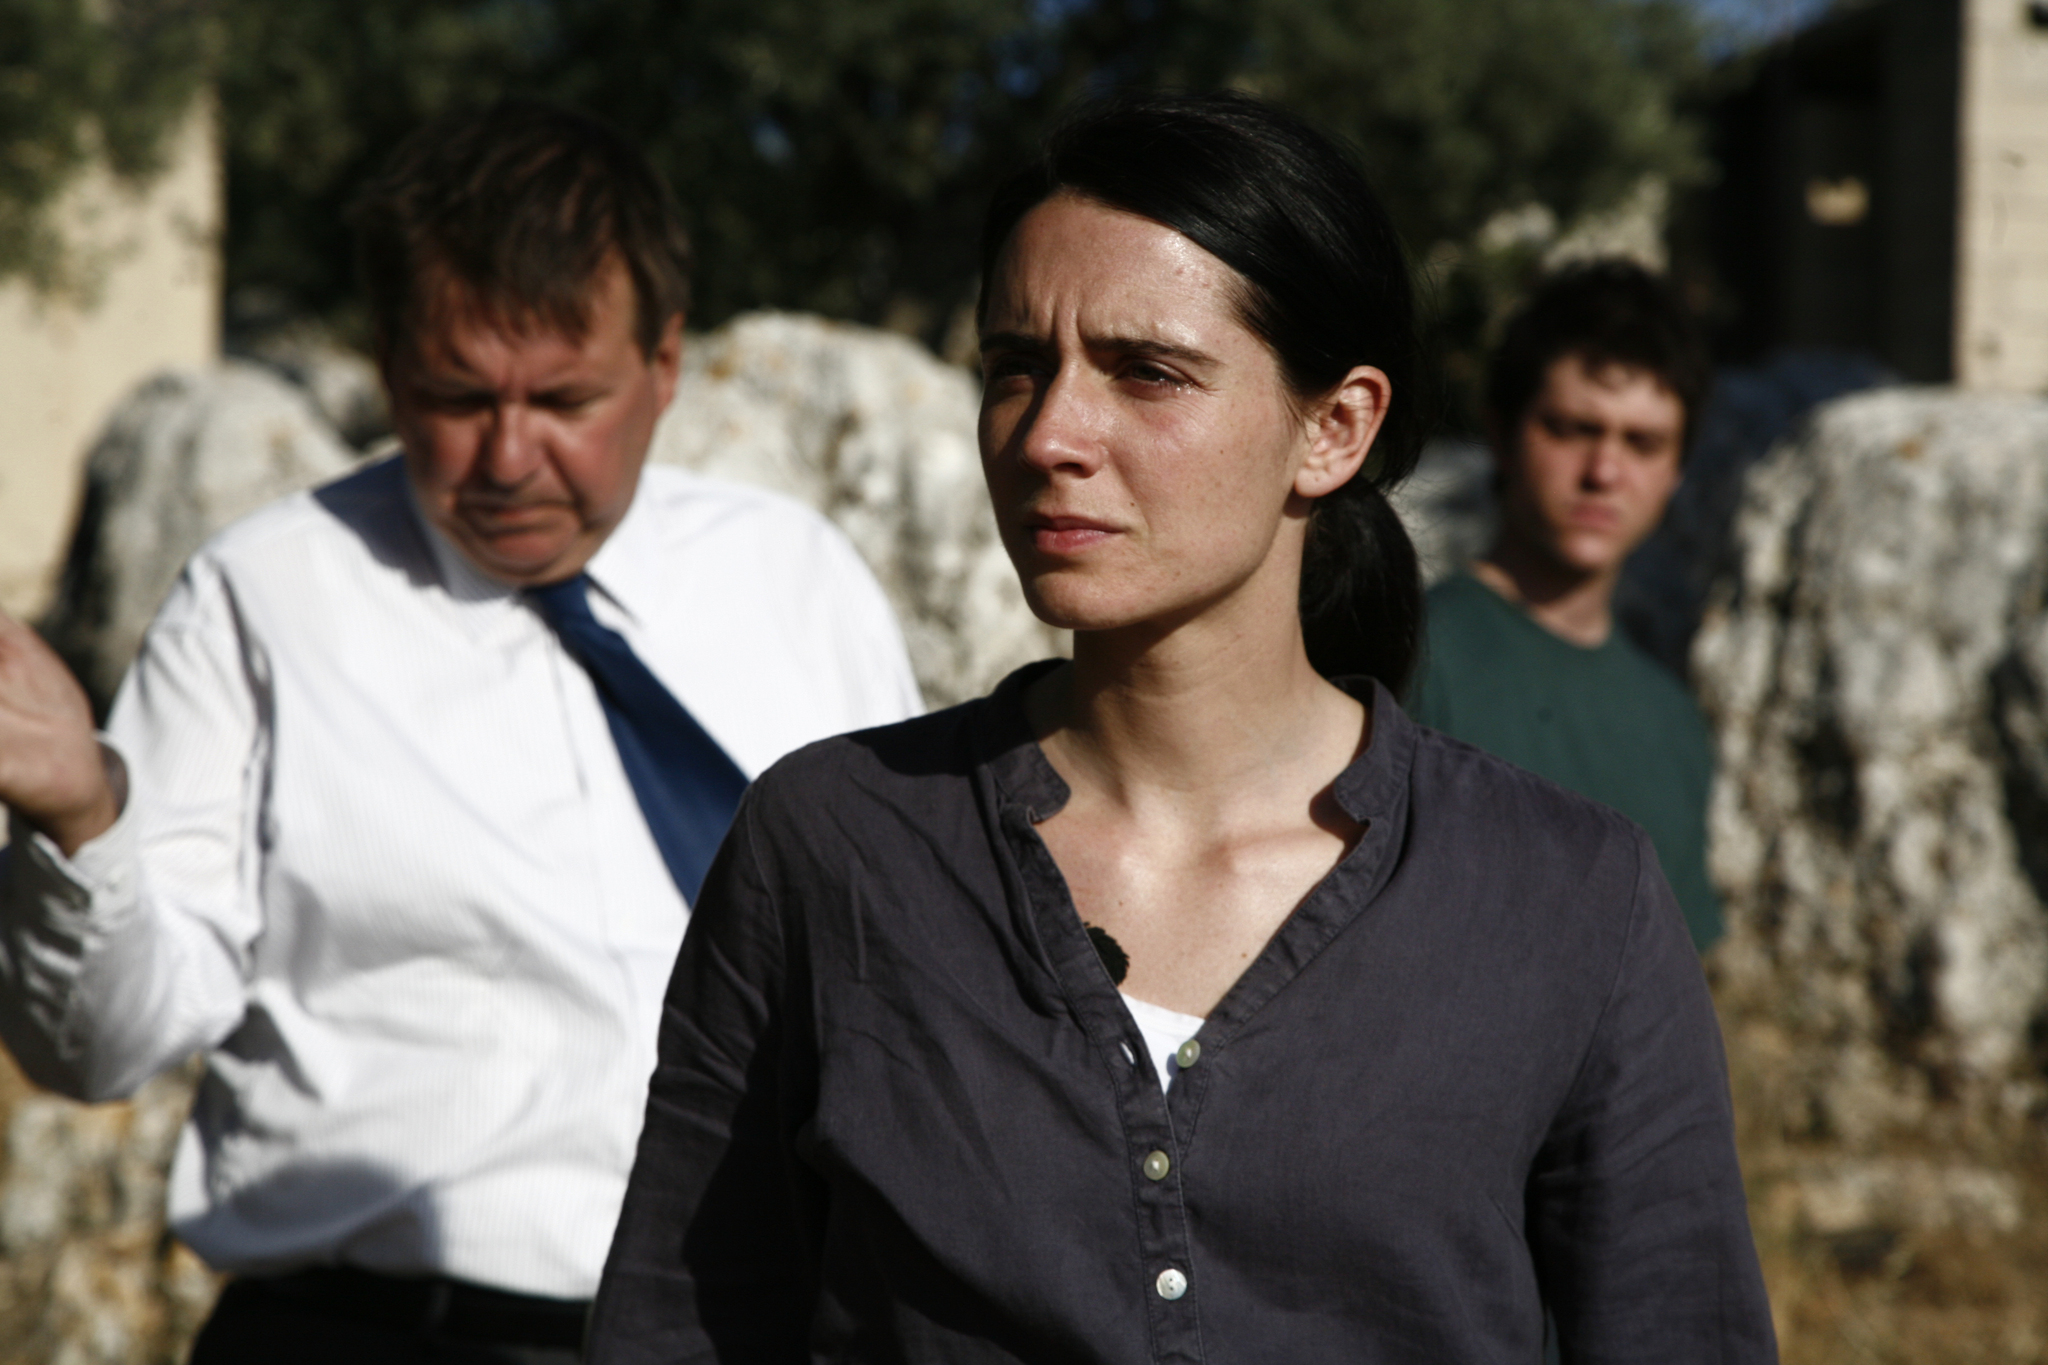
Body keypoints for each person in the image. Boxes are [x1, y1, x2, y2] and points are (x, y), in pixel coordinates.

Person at [588, 91, 1775, 1363]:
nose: (1048, 435)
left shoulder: (1568, 897)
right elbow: (684, 1326)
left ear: (1333, 427)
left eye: (1145, 371)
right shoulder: (833, 847)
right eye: (1013, 366)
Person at [0, 100, 921, 1362]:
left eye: (563, 398)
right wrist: (77, 820)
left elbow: (905, 980)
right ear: (385, 361)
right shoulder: (261, 601)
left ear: (664, 362)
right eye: (454, 397)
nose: (507, 456)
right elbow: (103, 1048)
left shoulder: (796, 581)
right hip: (361, 1334)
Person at [1408, 261, 1723, 950]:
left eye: (1642, 442)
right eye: (1574, 428)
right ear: (1503, 433)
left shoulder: (1674, 722)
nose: (1604, 472)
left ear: (1676, 471)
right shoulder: (1410, 656)